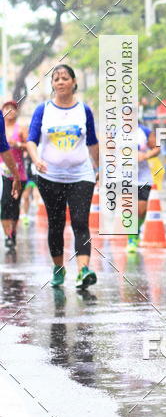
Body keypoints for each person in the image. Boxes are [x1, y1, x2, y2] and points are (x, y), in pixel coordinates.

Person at [27, 65, 100, 290]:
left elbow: (92, 142)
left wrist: (98, 169)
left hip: (81, 175)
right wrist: (35, 159)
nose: (60, 82)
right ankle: (58, 268)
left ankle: (83, 270)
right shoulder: (43, 109)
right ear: (52, 84)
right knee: (56, 223)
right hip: (50, 177)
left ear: (73, 82)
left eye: (65, 78)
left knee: (80, 222)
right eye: (56, 79)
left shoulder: (84, 110)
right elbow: (31, 140)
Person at [128, 123, 160, 252]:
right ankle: (131, 238)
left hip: (142, 178)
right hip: (125, 177)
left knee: (141, 210)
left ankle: (136, 230)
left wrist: (145, 156)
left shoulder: (144, 131)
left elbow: (157, 148)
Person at [1, 100, 28, 249]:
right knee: (4, 204)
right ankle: (8, 236)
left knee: (14, 205)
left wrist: (18, 145)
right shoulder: (1, 127)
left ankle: (13, 231)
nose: (10, 110)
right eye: (7, 108)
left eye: (13, 108)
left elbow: (30, 146)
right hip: (3, 172)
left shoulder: (21, 129)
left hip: (19, 173)